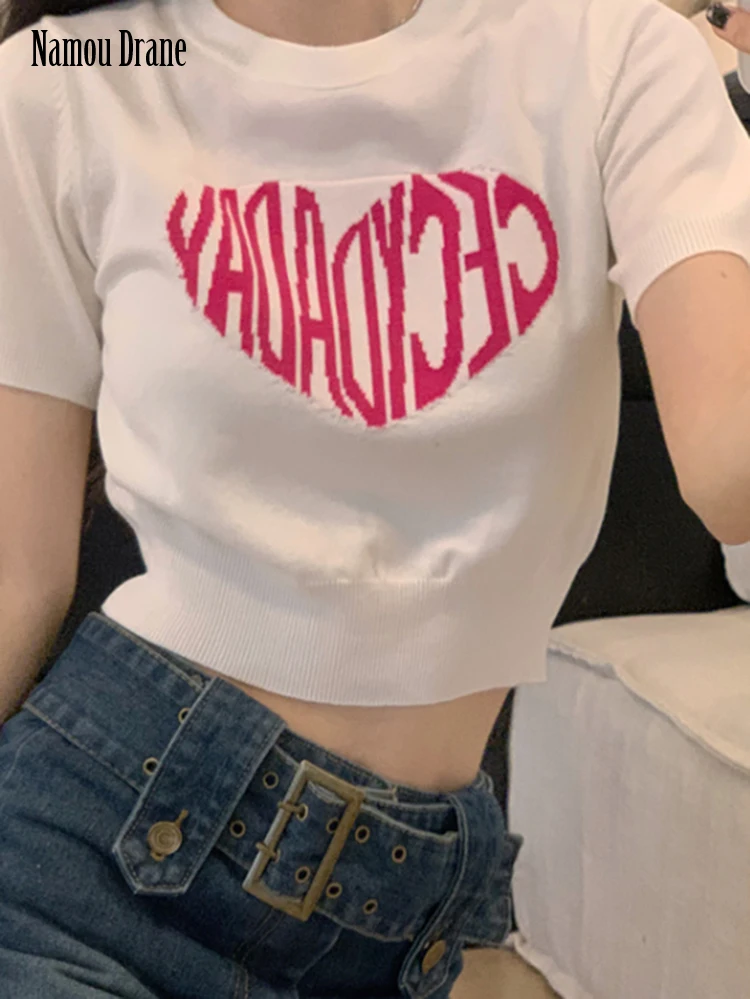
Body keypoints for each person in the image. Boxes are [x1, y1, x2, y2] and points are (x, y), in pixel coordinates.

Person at [1, 0, 750, 995]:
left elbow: (729, 466)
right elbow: (18, 576)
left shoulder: (607, 49)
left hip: (404, 916)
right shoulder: (71, 71)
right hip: (84, 859)